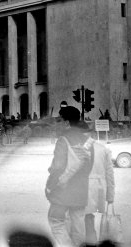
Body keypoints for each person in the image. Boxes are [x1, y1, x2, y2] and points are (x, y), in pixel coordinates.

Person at [45, 105, 93, 247]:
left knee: (56, 221)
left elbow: (58, 167)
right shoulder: (88, 141)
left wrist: (50, 186)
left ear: (66, 123)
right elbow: (89, 166)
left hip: (63, 191)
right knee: (78, 224)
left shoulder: (63, 140)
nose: (56, 123)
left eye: (59, 120)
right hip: (81, 190)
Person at [84, 137, 115, 245]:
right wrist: (110, 198)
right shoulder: (103, 149)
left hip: (79, 190)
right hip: (96, 190)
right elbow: (109, 174)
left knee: (78, 221)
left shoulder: (74, 147)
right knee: (88, 219)